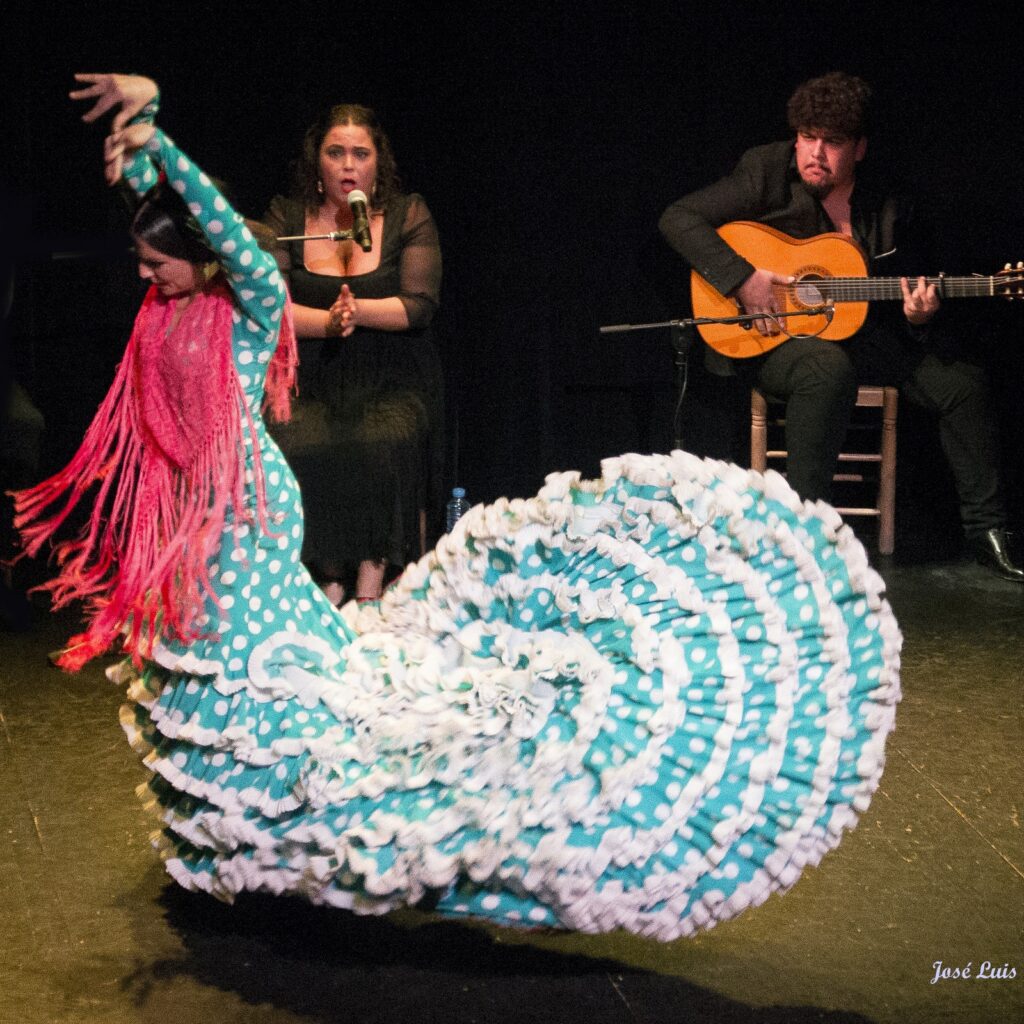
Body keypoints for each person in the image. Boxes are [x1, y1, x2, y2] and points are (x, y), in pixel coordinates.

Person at [14, 72, 902, 941]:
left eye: (157, 259)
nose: (143, 271)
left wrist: (163, 133)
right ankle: (255, 836)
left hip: (242, 505)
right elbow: (155, 217)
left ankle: (310, 831)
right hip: (198, 506)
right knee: (215, 667)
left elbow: (219, 234)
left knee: (267, 686)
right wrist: (132, 152)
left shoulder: (242, 301)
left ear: (203, 256)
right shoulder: (167, 298)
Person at [659, 71, 1023, 583]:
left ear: (859, 148)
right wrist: (743, 278)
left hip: (864, 332)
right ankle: (803, 538)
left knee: (962, 383)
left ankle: (988, 534)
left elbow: (900, 290)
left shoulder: (890, 201)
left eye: (832, 142)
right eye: (808, 137)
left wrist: (918, 316)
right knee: (825, 370)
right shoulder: (765, 170)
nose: (815, 153)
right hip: (773, 336)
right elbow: (678, 219)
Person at [262, 105, 444, 606]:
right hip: (310, 375)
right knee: (298, 438)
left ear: (376, 163)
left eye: (360, 154)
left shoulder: (409, 213)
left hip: (391, 373)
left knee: (380, 441)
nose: (348, 165)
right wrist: (326, 322)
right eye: (335, 153)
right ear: (316, 161)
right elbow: (270, 304)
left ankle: (369, 589)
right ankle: (327, 578)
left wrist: (356, 311)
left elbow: (420, 306)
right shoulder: (286, 215)